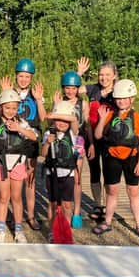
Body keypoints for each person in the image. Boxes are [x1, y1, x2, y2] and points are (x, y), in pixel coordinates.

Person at [93, 79, 139, 240]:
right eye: (118, 98)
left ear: (131, 98)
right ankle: (107, 221)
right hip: (112, 158)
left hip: (131, 158)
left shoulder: (137, 117)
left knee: (133, 191)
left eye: (124, 98)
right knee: (112, 191)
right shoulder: (109, 115)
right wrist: (101, 118)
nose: (121, 101)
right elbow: (98, 135)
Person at [0, 89, 39, 243]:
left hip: (18, 164)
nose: (10, 111)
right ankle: (1, 230)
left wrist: (19, 129)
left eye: (14, 108)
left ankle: (18, 230)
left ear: (18, 108)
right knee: (3, 198)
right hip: (0, 164)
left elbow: (34, 137)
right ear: (1, 107)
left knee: (16, 198)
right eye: (7, 108)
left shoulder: (22, 122)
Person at [1, 58, 45, 231]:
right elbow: (0, 114)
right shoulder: (9, 91)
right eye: (21, 76)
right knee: (14, 180)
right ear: (16, 76)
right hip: (13, 140)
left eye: (27, 76)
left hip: (31, 139)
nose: (24, 80)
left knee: (30, 180)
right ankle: (15, 216)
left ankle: (31, 216)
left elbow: (43, 118)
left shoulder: (35, 94)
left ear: (31, 77)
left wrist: (40, 100)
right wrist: (5, 93)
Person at [77, 58, 118, 221]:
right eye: (101, 74)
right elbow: (73, 89)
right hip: (91, 137)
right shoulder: (93, 89)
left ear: (114, 75)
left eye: (108, 75)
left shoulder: (118, 92)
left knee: (109, 174)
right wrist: (79, 73)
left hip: (110, 139)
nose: (104, 78)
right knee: (95, 172)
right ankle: (98, 205)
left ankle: (109, 206)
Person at [41, 101, 85, 239]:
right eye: (58, 121)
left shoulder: (73, 133)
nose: (61, 123)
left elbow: (74, 120)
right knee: (53, 204)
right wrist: (48, 142)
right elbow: (43, 154)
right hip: (52, 174)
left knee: (66, 205)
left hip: (68, 174)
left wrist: (57, 114)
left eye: (64, 121)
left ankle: (66, 230)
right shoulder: (49, 133)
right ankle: (52, 231)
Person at [53, 70, 92, 223]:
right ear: (63, 88)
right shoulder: (59, 101)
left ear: (78, 88)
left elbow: (87, 125)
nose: (70, 91)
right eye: (67, 88)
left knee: (76, 177)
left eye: (73, 88)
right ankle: (61, 208)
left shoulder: (83, 104)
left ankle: (76, 212)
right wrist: (55, 106)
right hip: (62, 141)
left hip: (78, 141)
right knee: (61, 176)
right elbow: (52, 123)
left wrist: (92, 144)